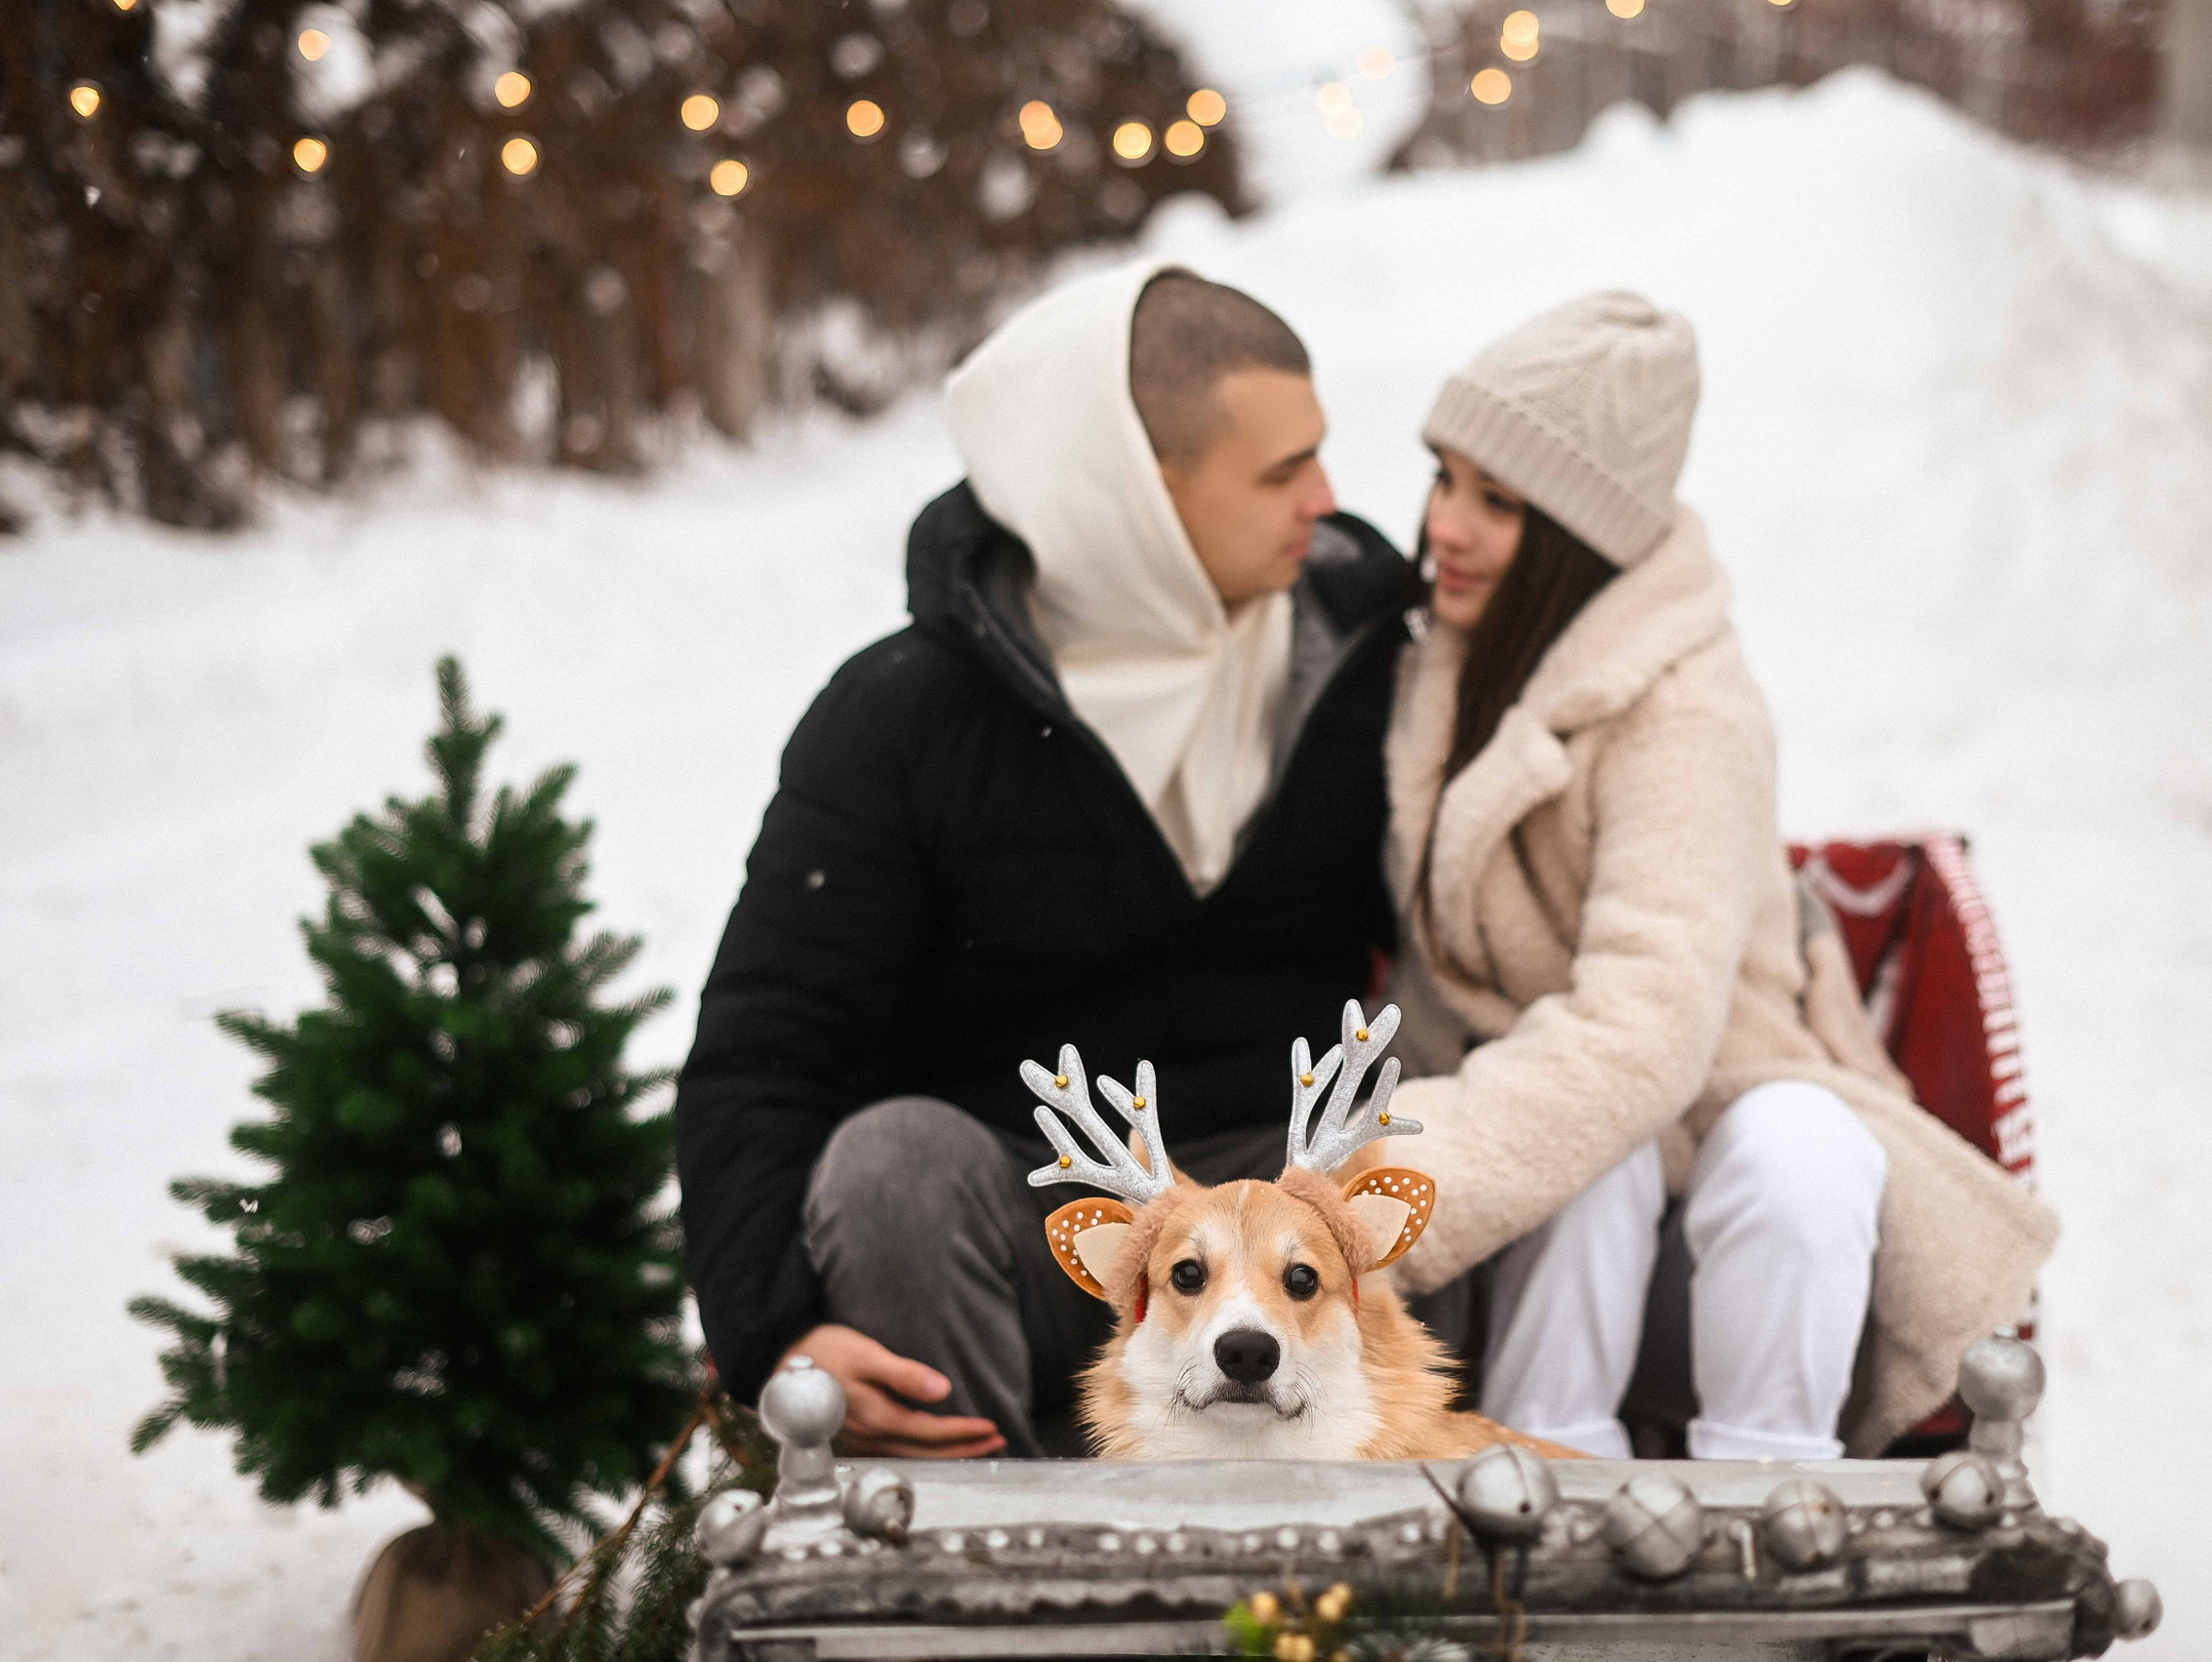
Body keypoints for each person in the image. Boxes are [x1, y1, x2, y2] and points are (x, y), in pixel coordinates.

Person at [674, 264, 1414, 1457]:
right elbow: (763, 1048)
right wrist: (775, 1332)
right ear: (1136, 492)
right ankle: (980, 1579)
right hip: (1020, 1222)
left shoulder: (1366, 658)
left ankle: (1394, 1577)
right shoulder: (901, 720)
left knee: (1436, 1140)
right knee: (891, 1164)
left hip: (1293, 1221)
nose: (1326, 501)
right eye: (1282, 471)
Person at [1379, 292, 2058, 1460]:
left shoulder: (1686, 711)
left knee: (1792, 1154)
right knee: (1592, 1157)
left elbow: (1645, 1026)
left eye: (1498, 500)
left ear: (1579, 533)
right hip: (1564, 1105)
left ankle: (1769, 1495)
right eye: (1444, 477)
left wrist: (1396, 1176)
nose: (1446, 523)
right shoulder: (1449, 653)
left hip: (1726, 1085)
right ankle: (1545, 1477)